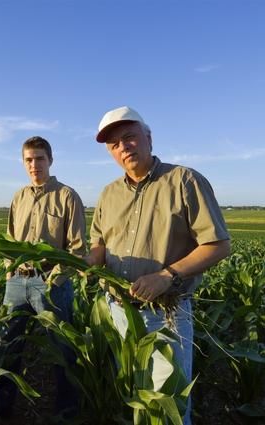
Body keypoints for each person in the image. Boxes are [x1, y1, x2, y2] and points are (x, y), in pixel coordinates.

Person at [85, 106, 231, 424]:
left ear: (148, 138)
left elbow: (219, 245)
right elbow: (99, 244)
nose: (123, 147)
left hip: (165, 314)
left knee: (169, 406)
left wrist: (167, 275)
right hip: (118, 312)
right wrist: (89, 260)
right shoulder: (108, 194)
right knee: (136, 397)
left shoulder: (183, 181)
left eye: (129, 137)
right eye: (114, 144)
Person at [0, 136, 86, 419]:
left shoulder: (67, 196)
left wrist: (53, 280)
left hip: (51, 284)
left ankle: (66, 413)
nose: (34, 165)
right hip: (17, 283)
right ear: (23, 163)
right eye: (29, 160)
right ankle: (1, 409)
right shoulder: (18, 197)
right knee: (8, 346)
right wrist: (10, 271)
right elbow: (10, 241)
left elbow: (78, 249)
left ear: (51, 160)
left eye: (40, 158)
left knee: (63, 352)